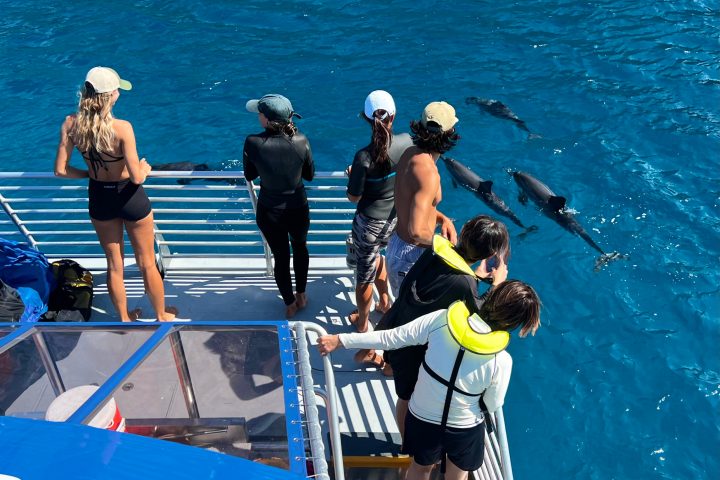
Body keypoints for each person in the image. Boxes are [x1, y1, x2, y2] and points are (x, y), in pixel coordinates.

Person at [317, 281, 541, 480]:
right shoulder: (501, 360)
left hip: (422, 416)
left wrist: (341, 339)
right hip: (464, 428)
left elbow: (391, 337)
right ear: (514, 323)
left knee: (420, 468)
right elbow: (492, 404)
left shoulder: (442, 319)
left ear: (491, 297)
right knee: (457, 476)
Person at [53, 66, 177, 322]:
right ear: (111, 95)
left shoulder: (71, 124)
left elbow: (61, 170)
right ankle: (162, 315)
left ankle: (123, 317)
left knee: (114, 264)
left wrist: (91, 175)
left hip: (100, 197)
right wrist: (144, 168)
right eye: (118, 89)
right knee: (146, 261)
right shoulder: (122, 128)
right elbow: (136, 177)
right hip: (130, 197)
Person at [381, 215, 512, 439]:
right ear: (490, 255)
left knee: (403, 393)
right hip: (415, 351)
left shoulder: (435, 252)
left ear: (463, 233)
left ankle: (406, 444)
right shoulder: (465, 283)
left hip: (399, 330)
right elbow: (478, 316)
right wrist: (498, 284)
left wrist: (476, 277)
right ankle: (408, 446)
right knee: (408, 399)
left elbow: (442, 287)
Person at [346, 90, 412, 335]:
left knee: (364, 275)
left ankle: (363, 324)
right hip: (396, 220)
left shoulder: (363, 157)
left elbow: (353, 197)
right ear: (393, 117)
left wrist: (354, 175)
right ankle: (385, 301)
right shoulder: (407, 142)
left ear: (365, 119)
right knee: (381, 257)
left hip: (369, 226)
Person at [244, 94, 315, 318]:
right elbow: (310, 175)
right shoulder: (302, 140)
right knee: (300, 248)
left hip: (270, 212)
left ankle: (289, 303)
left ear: (266, 119)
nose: (258, 116)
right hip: (298, 209)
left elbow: (249, 174)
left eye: (260, 113)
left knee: (281, 256)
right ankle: (301, 294)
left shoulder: (253, 142)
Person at [386, 101, 460, 298]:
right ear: (449, 132)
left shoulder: (411, 153)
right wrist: (450, 248)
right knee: (411, 323)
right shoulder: (428, 172)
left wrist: (442, 219)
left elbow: (414, 205)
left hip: (398, 247)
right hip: (410, 257)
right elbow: (417, 232)